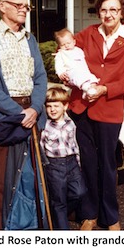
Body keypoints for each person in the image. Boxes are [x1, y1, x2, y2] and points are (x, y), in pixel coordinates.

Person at [68, 0, 124, 230]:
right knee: (87, 163)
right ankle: (89, 213)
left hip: (109, 111)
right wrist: (63, 66)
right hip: (82, 108)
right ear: (98, 12)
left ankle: (110, 216)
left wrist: (105, 89)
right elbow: (68, 51)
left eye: (113, 10)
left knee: (108, 165)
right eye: (103, 9)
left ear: (122, 13)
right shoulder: (88, 34)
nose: (108, 14)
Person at [0, 0, 47, 230]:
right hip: (3, 118)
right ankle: (4, 233)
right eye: (19, 5)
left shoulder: (30, 38)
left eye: (26, 6)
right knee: (2, 181)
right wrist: (18, 113)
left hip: (32, 114)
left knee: (32, 177)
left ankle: (32, 228)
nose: (24, 9)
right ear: (2, 6)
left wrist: (35, 108)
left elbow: (40, 77)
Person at [40, 86, 86, 229]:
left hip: (72, 162)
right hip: (54, 165)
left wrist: (78, 163)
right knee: (58, 200)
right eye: (49, 106)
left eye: (56, 106)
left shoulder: (71, 123)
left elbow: (75, 144)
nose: (52, 110)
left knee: (79, 192)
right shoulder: (45, 126)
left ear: (65, 106)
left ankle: (59, 213)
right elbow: (41, 147)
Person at [54, 28, 99, 99]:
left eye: (68, 43)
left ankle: (87, 92)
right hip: (71, 73)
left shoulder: (78, 50)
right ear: (59, 46)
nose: (66, 46)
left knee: (92, 78)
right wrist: (60, 73)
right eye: (63, 45)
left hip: (83, 71)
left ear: (74, 42)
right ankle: (88, 89)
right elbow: (58, 64)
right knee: (78, 79)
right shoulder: (61, 54)